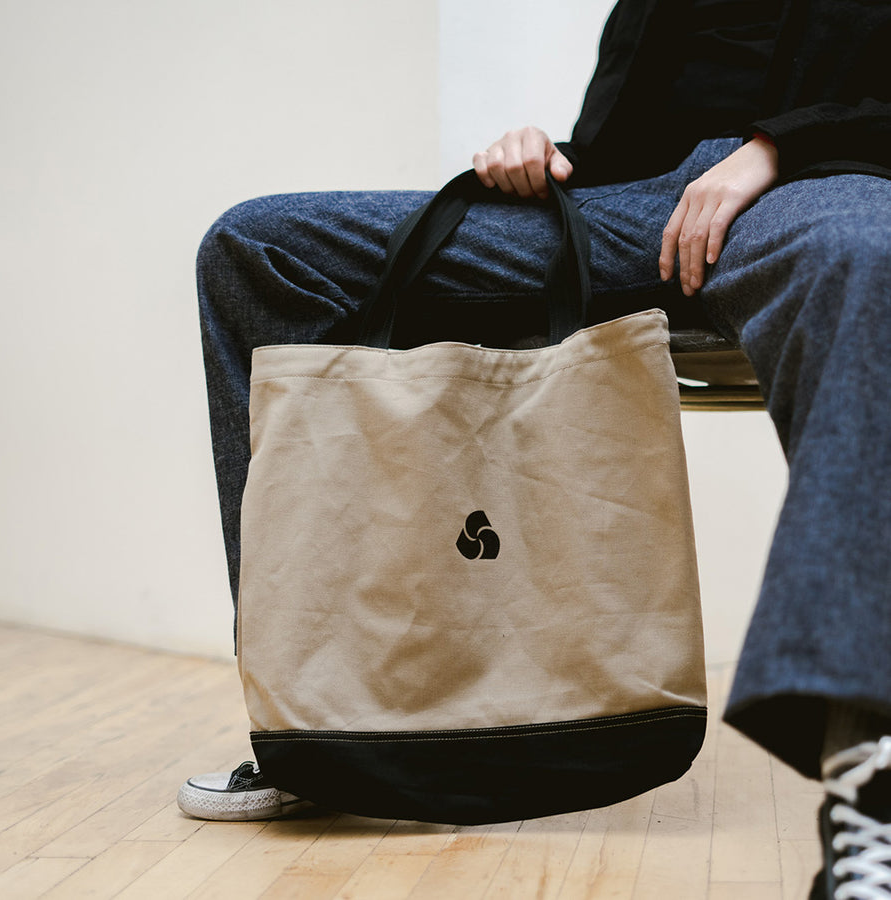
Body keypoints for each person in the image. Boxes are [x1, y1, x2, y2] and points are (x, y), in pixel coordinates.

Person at [179, 0, 891, 895]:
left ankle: (875, 777)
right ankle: (318, 718)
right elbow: (624, 137)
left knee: (874, 259)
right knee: (260, 248)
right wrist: (551, 160)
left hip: (837, 185)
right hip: (643, 212)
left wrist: (782, 148)